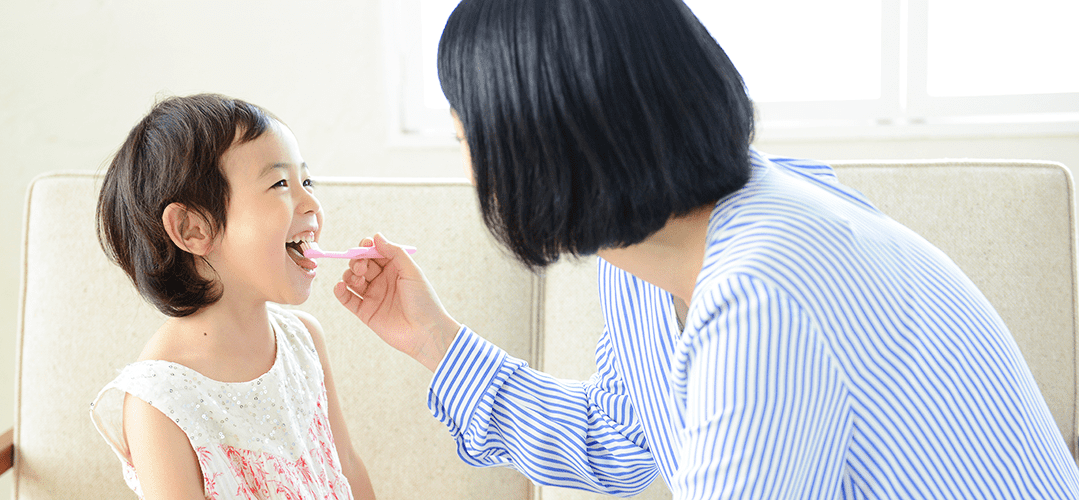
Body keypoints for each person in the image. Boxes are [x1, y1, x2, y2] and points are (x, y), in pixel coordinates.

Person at [333, 0, 1079, 498]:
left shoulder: (765, 286)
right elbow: (617, 440)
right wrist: (433, 338)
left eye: (467, 141)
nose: (472, 172)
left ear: (548, 148)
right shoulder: (649, 258)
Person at [89, 94, 376, 500]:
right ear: (192, 229)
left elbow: (345, 466)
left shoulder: (304, 340)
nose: (312, 203)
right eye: (280, 184)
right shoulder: (160, 403)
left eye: (307, 182)